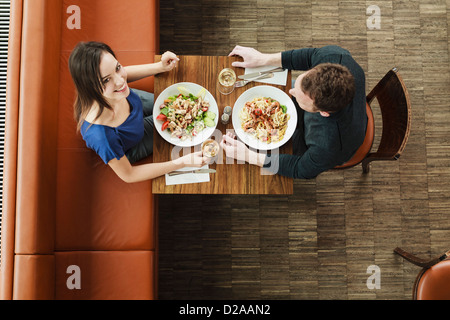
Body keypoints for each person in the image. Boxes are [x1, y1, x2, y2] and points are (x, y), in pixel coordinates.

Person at [69, 41, 209, 183]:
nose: (120, 81)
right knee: (185, 128)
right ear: (90, 88)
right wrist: (182, 162)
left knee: (183, 109)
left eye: (117, 68)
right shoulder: (103, 137)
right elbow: (129, 175)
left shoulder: (117, 89)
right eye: (106, 80)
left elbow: (122, 75)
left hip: (136, 102)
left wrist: (160, 67)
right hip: (135, 141)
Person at [221, 45, 367, 179]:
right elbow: (309, 56)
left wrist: (247, 155)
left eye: (298, 97)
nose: (291, 92)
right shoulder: (335, 56)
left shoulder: (329, 146)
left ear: (323, 113)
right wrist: (263, 58)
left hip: (318, 141)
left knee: (269, 152)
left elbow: (300, 169)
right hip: (331, 116)